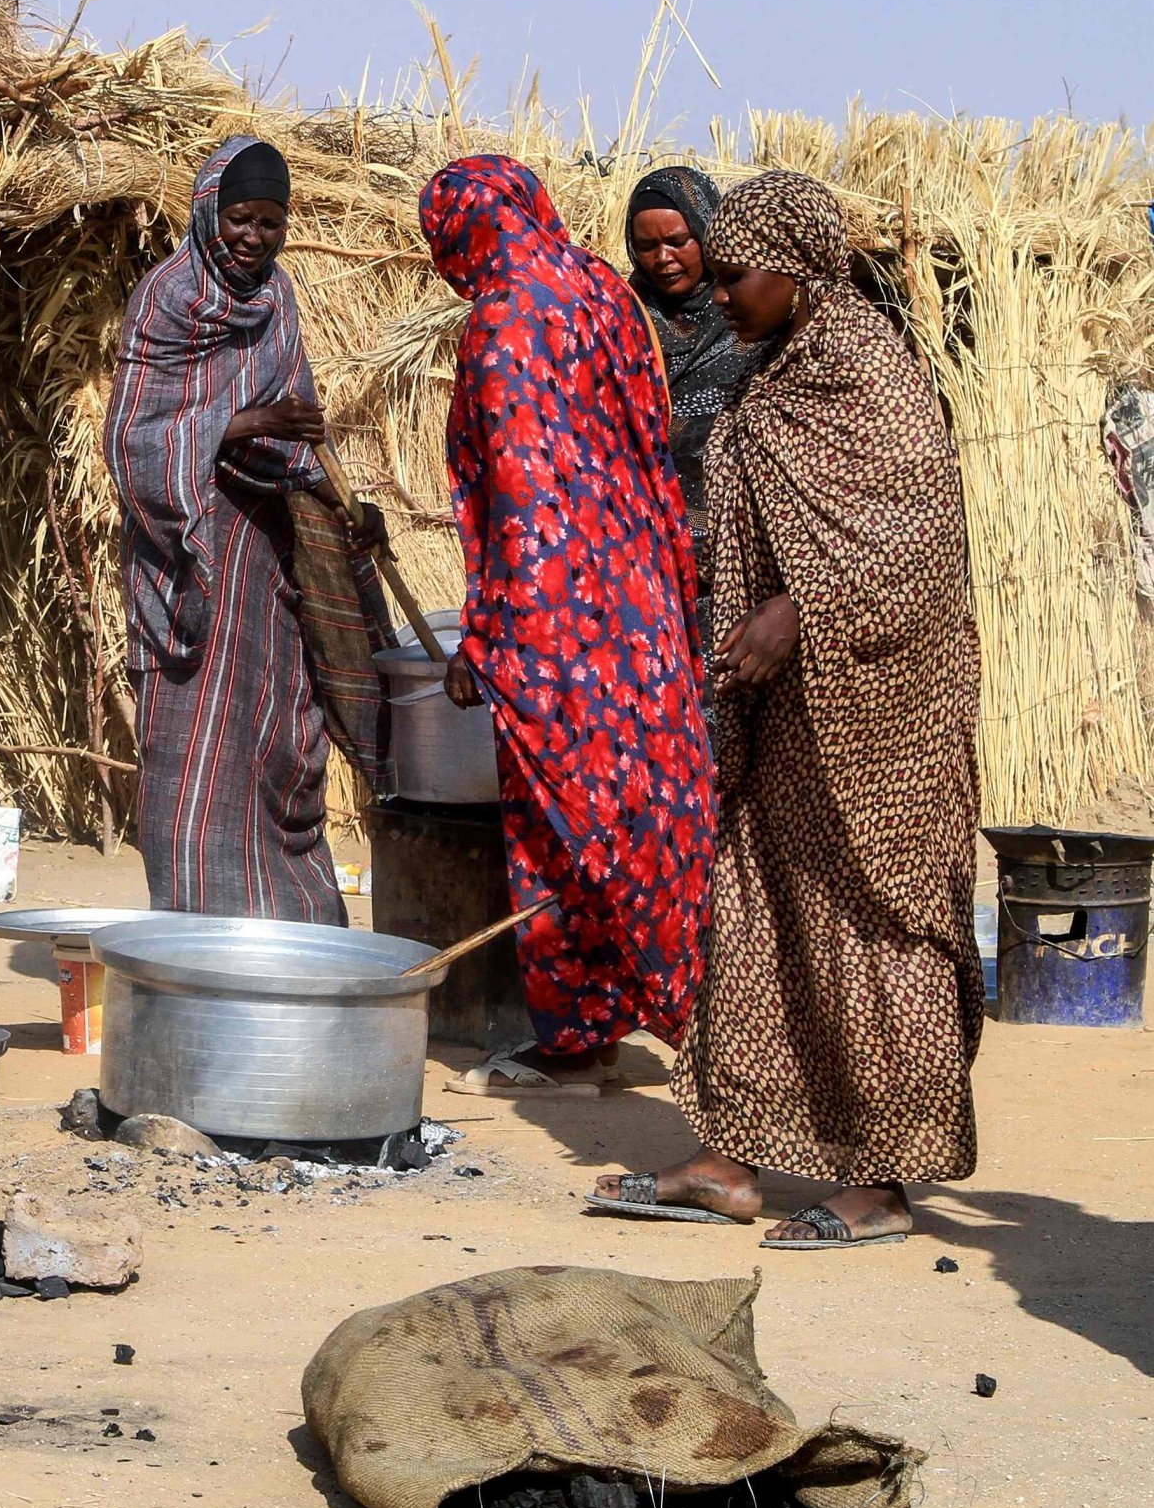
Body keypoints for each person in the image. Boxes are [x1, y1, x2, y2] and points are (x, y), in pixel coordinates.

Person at [590, 170, 983, 1248]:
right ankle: (732, 1157)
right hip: (788, 715)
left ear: (800, 272)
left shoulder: (869, 376)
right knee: (758, 912)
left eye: (732, 278)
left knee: (869, 930)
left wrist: (799, 612)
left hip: (880, 717)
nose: (715, 298)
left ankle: (880, 1178)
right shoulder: (785, 371)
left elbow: (920, 542)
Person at [421, 155, 712, 1089]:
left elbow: (524, 496)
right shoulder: (600, 289)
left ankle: (693, 1022)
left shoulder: (504, 320)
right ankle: (593, 1031)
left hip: (559, 624)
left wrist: (489, 633)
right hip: (645, 603)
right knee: (654, 815)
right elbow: (646, 449)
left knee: (574, 828)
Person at [106, 135, 392, 921]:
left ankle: (294, 928)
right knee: (194, 749)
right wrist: (246, 421)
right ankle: (201, 932)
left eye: (270, 222)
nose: (253, 237)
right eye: (240, 218)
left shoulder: (280, 298)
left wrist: (343, 505)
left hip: (264, 556)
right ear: (208, 211)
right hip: (189, 554)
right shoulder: (167, 295)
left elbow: (298, 433)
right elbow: (135, 437)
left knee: (278, 742)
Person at [623, 166, 765, 559]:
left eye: (677, 241)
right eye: (647, 246)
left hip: (741, 553)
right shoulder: (621, 319)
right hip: (643, 549)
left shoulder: (749, 317)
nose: (663, 258)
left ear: (705, 232)